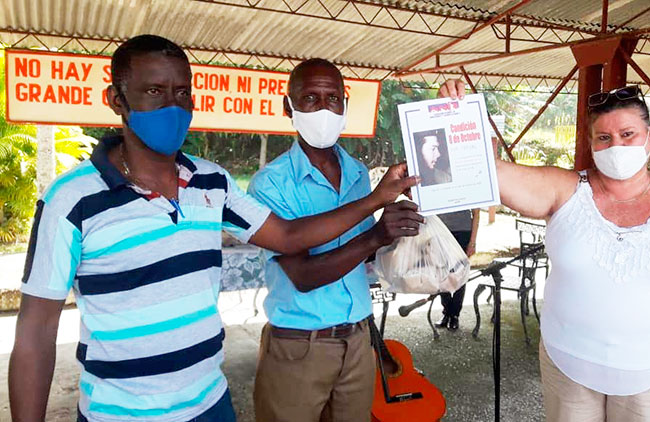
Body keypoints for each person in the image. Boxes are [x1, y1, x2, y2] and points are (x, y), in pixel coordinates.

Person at [9, 35, 419, 422]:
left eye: (182, 93)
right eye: (154, 91)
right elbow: (35, 333)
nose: (173, 105)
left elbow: (289, 236)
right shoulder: (71, 199)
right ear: (116, 99)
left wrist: (376, 202)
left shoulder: (212, 181)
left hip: (210, 401)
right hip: (121, 412)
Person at [439, 80, 650, 422]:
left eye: (628, 134)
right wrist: (458, 117)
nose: (616, 145)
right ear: (591, 143)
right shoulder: (565, 190)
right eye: (604, 137)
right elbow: (494, 174)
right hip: (569, 366)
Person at [247, 58, 421, 422]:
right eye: (310, 98)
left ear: (344, 104)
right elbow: (304, 276)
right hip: (299, 347)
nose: (323, 108)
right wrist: (375, 229)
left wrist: (398, 226)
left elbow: (366, 254)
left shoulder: (357, 172)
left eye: (332, 98)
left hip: (358, 341)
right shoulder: (271, 184)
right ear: (288, 107)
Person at [435, 209, 480, 331]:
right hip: (440, 231)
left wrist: (473, 242)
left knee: (460, 274)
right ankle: (446, 312)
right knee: (441, 274)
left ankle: (455, 315)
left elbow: (476, 213)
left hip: (462, 231)